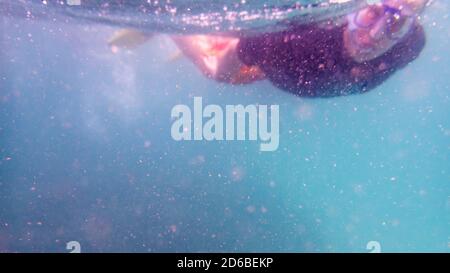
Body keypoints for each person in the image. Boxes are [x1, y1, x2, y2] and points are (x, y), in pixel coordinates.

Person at [172, 0, 429, 96]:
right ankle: (177, 27)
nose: (374, 36)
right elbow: (222, 67)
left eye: (397, 23)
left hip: (300, 71)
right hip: (284, 62)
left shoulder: (412, 43)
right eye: (372, 13)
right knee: (218, 69)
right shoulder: (295, 39)